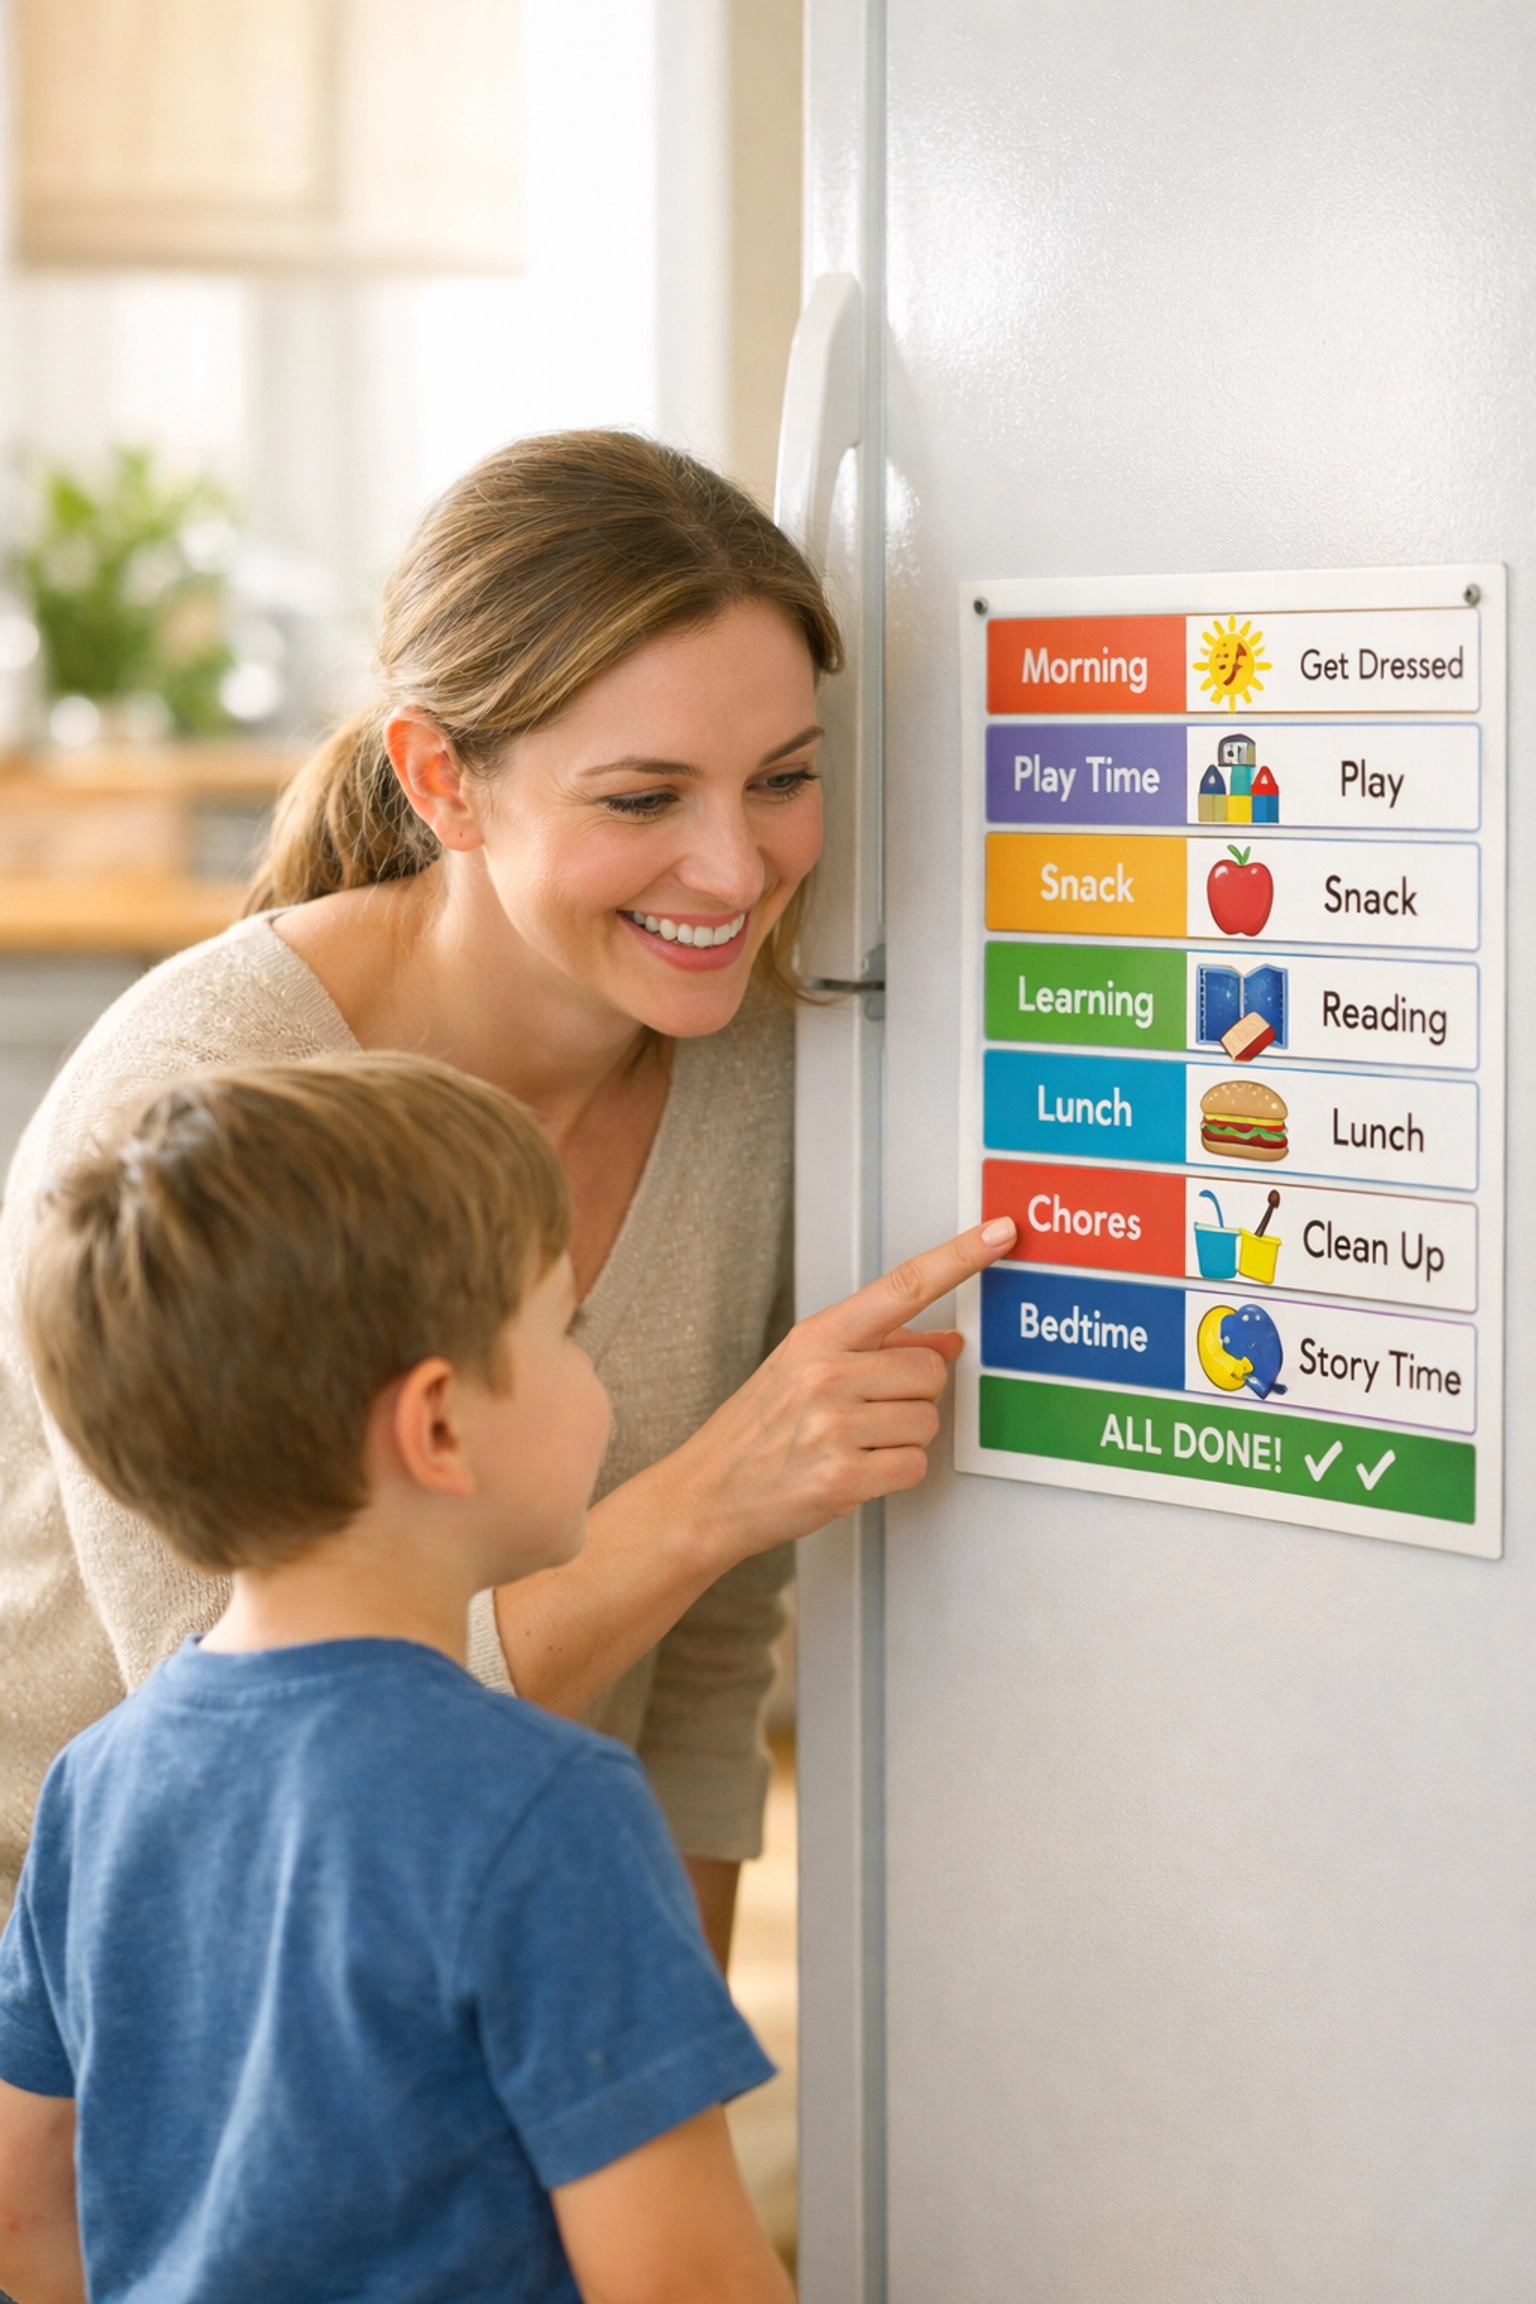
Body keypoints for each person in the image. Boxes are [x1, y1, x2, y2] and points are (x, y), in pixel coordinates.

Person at [0, 432, 997, 1956]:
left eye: (781, 779)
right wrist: (703, 1496)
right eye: (644, 797)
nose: (735, 872)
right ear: (441, 781)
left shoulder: (741, 1065)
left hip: (462, 1943)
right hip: (127, 1975)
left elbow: (707, 1661)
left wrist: (668, 2066)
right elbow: (258, 1746)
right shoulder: (207, 1097)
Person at [0, 1054, 806, 2303]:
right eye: (565, 1331)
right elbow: (686, 2281)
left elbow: (20, 2215)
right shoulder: (549, 1810)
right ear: (437, 1427)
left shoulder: (93, 1786)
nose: (596, 1377)